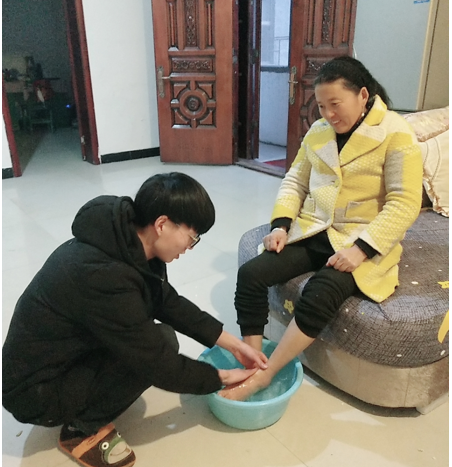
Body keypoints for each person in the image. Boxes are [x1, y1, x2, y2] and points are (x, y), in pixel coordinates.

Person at [2, 172, 268, 467]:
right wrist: (223, 378)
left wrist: (233, 344)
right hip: (35, 390)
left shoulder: (129, 240)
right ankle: (80, 430)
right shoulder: (103, 274)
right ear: (162, 224)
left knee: (157, 337)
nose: (190, 247)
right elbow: (158, 365)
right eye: (192, 238)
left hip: (64, 356)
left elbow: (166, 300)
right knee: (159, 346)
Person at [219, 56, 423, 401]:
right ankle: (252, 360)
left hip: (362, 239)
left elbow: (404, 202)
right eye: (322, 106)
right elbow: (295, 181)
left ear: (362, 95)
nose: (328, 114)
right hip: (315, 229)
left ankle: (265, 376)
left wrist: (361, 250)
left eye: (335, 104)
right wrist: (281, 225)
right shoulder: (318, 132)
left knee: (321, 291)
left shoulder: (396, 132)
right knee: (251, 274)